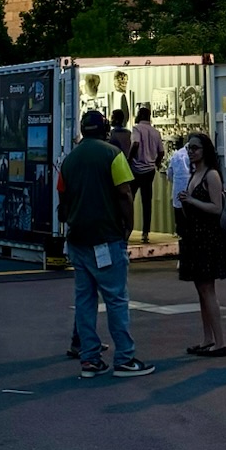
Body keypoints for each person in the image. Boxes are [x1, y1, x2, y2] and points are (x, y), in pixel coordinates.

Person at [57, 109, 155, 379]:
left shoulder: (69, 160)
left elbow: (62, 201)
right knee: (116, 299)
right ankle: (124, 357)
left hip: (77, 239)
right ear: (104, 131)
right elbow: (124, 194)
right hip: (106, 238)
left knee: (85, 300)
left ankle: (89, 359)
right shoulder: (113, 156)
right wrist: (128, 229)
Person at [177, 131, 226, 356]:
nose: (191, 152)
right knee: (201, 290)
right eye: (189, 148)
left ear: (204, 150)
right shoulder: (195, 174)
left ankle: (219, 342)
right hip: (195, 237)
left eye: (195, 148)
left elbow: (217, 208)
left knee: (207, 289)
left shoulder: (211, 175)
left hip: (207, 238)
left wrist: (191, 200)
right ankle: (208, 338)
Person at [128, 104, 164, 244]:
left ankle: (126, 228)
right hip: (149, 170)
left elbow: (135, 144)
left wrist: (129, 159)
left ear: (140, 116)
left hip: (136, 169)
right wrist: (157, 163)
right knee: (146, 202)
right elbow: (161, 152)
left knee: (129, 199)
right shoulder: (156, 132)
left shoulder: (136, 128)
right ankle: (145, 232)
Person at [166, 136, 192, 235]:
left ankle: (180, 234)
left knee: (179, 214)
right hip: (191, 189)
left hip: (178, 188)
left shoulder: (176, 155)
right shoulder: (195, 154)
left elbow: (170, 173)